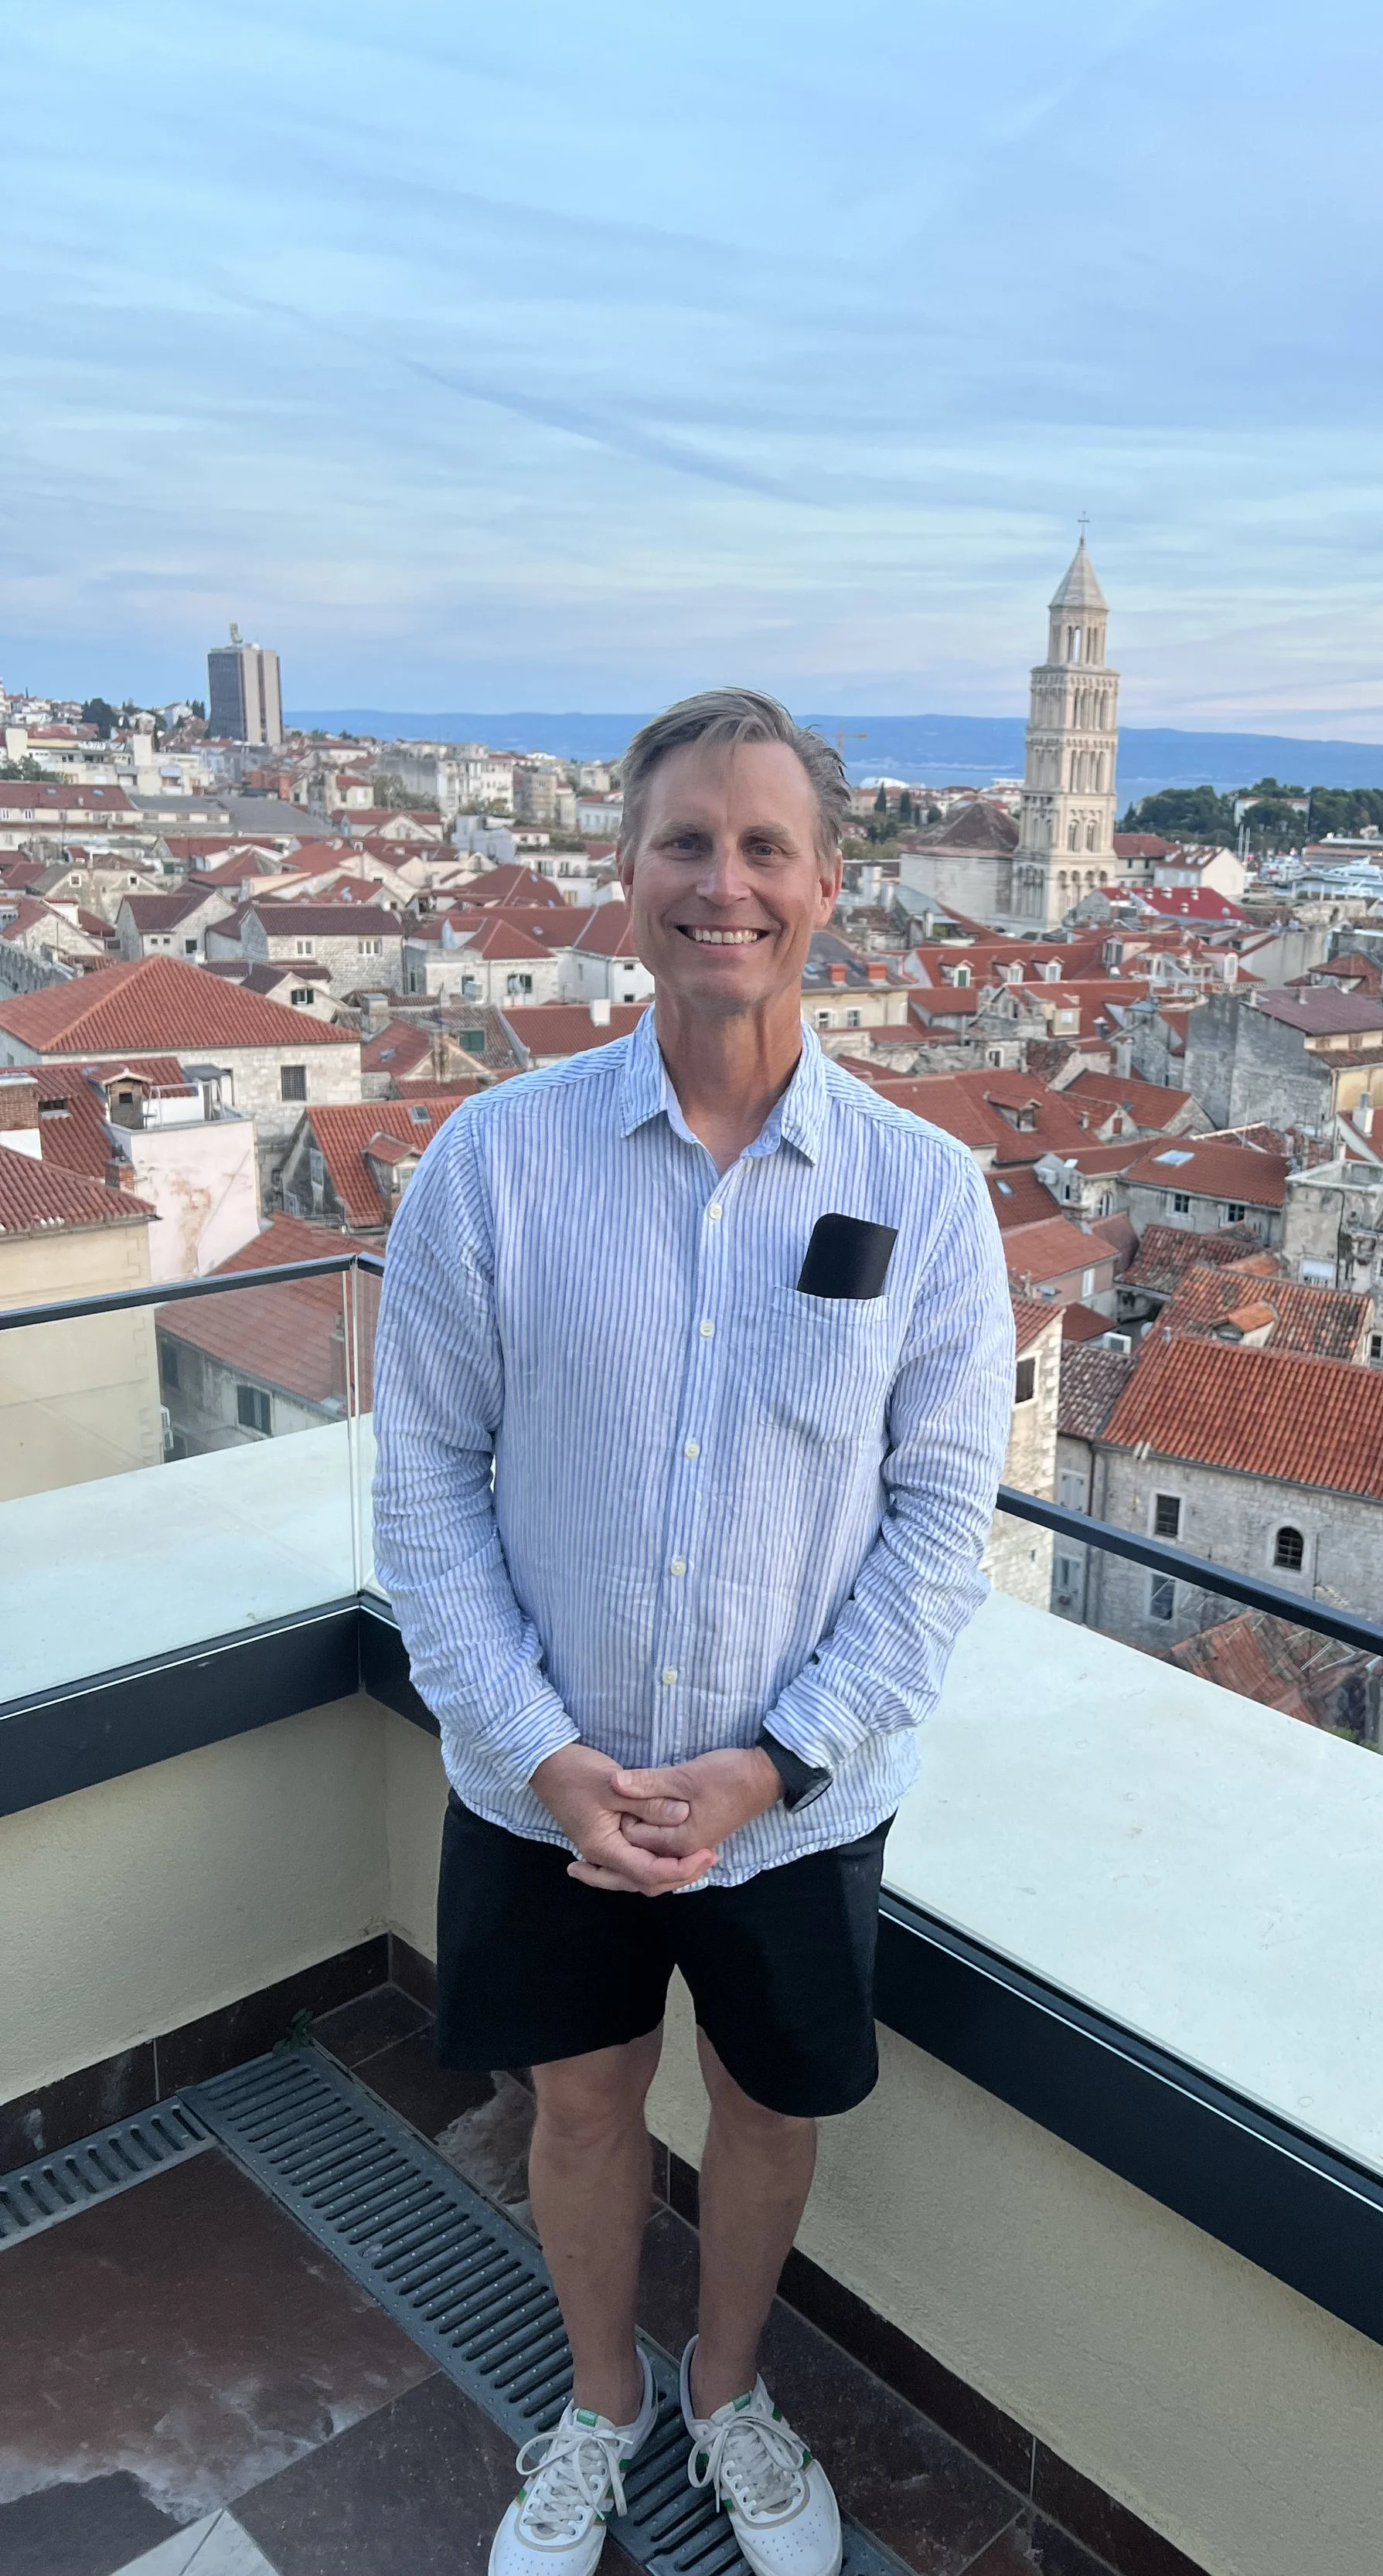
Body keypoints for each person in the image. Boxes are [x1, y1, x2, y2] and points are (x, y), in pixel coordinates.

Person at [372, 690, 1014, 2576]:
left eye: (759, 845)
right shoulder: (493, 1162)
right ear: (624, 874)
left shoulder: (924, 1193)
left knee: (757, 2113)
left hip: (796, 1800)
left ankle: (727, 2392)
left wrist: (774, 1759)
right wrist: (540, 1752)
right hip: (539, 1776)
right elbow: (426, 1489)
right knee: (577, 2110)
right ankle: (599, 2403)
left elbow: (935, 1526)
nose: (718, 880)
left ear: (827, 885)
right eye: (682, 841)